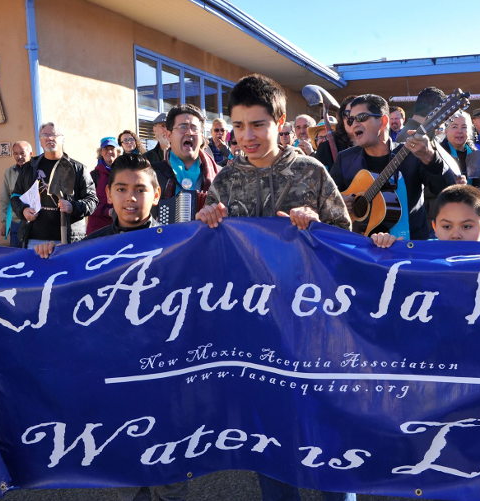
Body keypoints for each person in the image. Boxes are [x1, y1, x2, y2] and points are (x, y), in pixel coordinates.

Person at [195, 72, 351, 501]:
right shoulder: (226, 179)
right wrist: (207, 223)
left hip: (312, 326)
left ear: (280, 122)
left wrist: (318, 225)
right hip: (255, 330)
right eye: (239, 125)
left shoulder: (311, 171)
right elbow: (209, 251)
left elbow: (346, 236)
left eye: (258, 124)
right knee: (270, 434)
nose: (247, 135)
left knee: (327, 433)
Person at [31, 153, 188, 501]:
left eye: (139, 190)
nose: (131, 198)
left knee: (170, 477)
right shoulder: (90, 248)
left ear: (157, 194)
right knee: (125, 471)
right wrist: (45, 257)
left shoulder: (180, 243)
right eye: (121, 189)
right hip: (113, 380)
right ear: (108, 194)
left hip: (165, 378)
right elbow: (58, 298)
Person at [329, 93, 458, 240]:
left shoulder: (413, 154)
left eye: (361, 118)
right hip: (361, 250)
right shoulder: (345, 159)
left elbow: (449, 192)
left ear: (383, 121)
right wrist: (337, 201)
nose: (354, 124)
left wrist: (430, 157)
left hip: (409, 248)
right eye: (351, 120)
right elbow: (325, 199)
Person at [11, 122, 98, 248]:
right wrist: (23, 210)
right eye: (45, 135)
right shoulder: (29, 168)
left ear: (62, 139)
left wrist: (73, 207)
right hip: (34, 239)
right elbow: (15, 196)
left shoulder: (78, 169)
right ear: (40, 141)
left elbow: (92, 200)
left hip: (68, 241)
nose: (49, 138)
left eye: (54, 135)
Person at [371, 184, 480, 248]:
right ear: (434, 227)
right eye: (447, 226)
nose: (455, 235)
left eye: (467, 226)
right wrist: (386, 248)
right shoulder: (422, 256)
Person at [149, 104, 220, 217]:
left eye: (194, 128)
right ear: (169, 135)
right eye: (183, 127)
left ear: (202, 136)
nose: (189, 132)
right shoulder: (151, 174)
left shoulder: (221, 176)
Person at [0, 140, 32, 247]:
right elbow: (5, 199)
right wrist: (4, 223)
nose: (19, 156)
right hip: (16, 222)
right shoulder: (9, 172)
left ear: (30, 154)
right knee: (18, 257)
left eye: (22, 153)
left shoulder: (37, 171)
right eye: (16, 153)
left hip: (35, 222)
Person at [87, 136, 121, 234]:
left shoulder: (123, 174)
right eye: (106, 149)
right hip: (97, 229)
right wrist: (107, 211)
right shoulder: (94, 175)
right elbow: (88, 202)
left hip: (118, 228)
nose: (109, 151)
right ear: (101, 152)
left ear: (118, 152)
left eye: (112, 149)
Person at [313, 94, 355, 169]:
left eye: (361, 115)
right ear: (342, 118)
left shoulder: (372, 146)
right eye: (348, 113)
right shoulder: (326, 148)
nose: (353, 118)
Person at [441, 110, 480, 180]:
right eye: (454, 127)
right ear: (446, 130)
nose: (460, 131)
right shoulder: (439, 155)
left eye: (464, 127)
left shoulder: (476, 155)